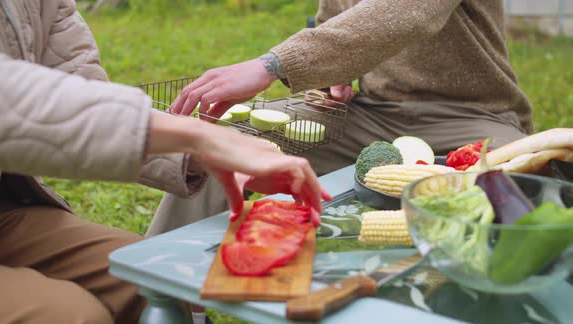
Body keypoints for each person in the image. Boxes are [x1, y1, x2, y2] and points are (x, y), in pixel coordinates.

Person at [0, 1, 329, 324]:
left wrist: (202, 156)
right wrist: (197, 136)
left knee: (152, 284)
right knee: (72, 321)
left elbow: (86, 97)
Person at [146, 0, 531, 235]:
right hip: (372, 112)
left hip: (474, 114)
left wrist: (272, 65)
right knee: (225, 140)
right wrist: (336, 75)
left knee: (520, 187)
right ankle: (157, 299)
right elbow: (333, 20)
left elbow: (407, 12)